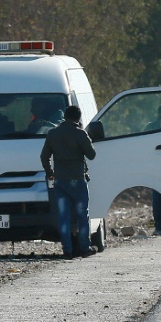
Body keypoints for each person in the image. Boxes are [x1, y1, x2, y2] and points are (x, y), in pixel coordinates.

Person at [40, 105, 97, 259]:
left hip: (60, 181)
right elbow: (91, 155)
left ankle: (67, 251)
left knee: (63, 217)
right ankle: (84, 248)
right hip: (77, 180)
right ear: (78, 118)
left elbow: (44, 157)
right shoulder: (80, 134)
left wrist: (50, 173)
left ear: (64, 116)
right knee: (82, 216)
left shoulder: (52, 134)